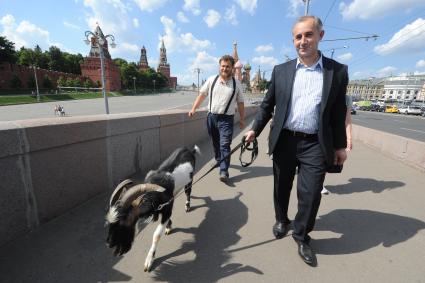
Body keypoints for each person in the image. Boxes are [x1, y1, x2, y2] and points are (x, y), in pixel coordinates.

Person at [244, 15, 348, 266]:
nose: (303, 41)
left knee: (311, 193)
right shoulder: (281, 71)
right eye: (298, 37)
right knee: (281, 187)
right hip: (285, 140)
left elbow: (337, 114)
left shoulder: (337, 71)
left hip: (315, 143)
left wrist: (340, 146)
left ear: (320, 36)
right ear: (293, 40)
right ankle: (282, 219)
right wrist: (254, 131)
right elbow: (267, 106)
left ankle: (302, 236)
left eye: (308, 35)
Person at [188, 55, 245, 182]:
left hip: (227, 119)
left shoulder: (237, 84)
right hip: (211, 117)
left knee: (225, 144)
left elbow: (241, 103)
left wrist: (242, 119)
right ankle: (219, 159)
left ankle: (224, 170)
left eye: (227, 66)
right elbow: (202, 95)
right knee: (215, 142)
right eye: (223, 66)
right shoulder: (211, 80)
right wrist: (193, 109)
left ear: (232, 68)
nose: (224, 68)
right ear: (220, 67)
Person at [321, 95, 353, 194]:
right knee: (318, 159)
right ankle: (316, 184)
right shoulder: (323, 92)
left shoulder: (347, 98)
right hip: (320, 131)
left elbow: (347, 120)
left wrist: (349, 138)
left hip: (335, 134)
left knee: (328, 160)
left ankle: (319, 183)